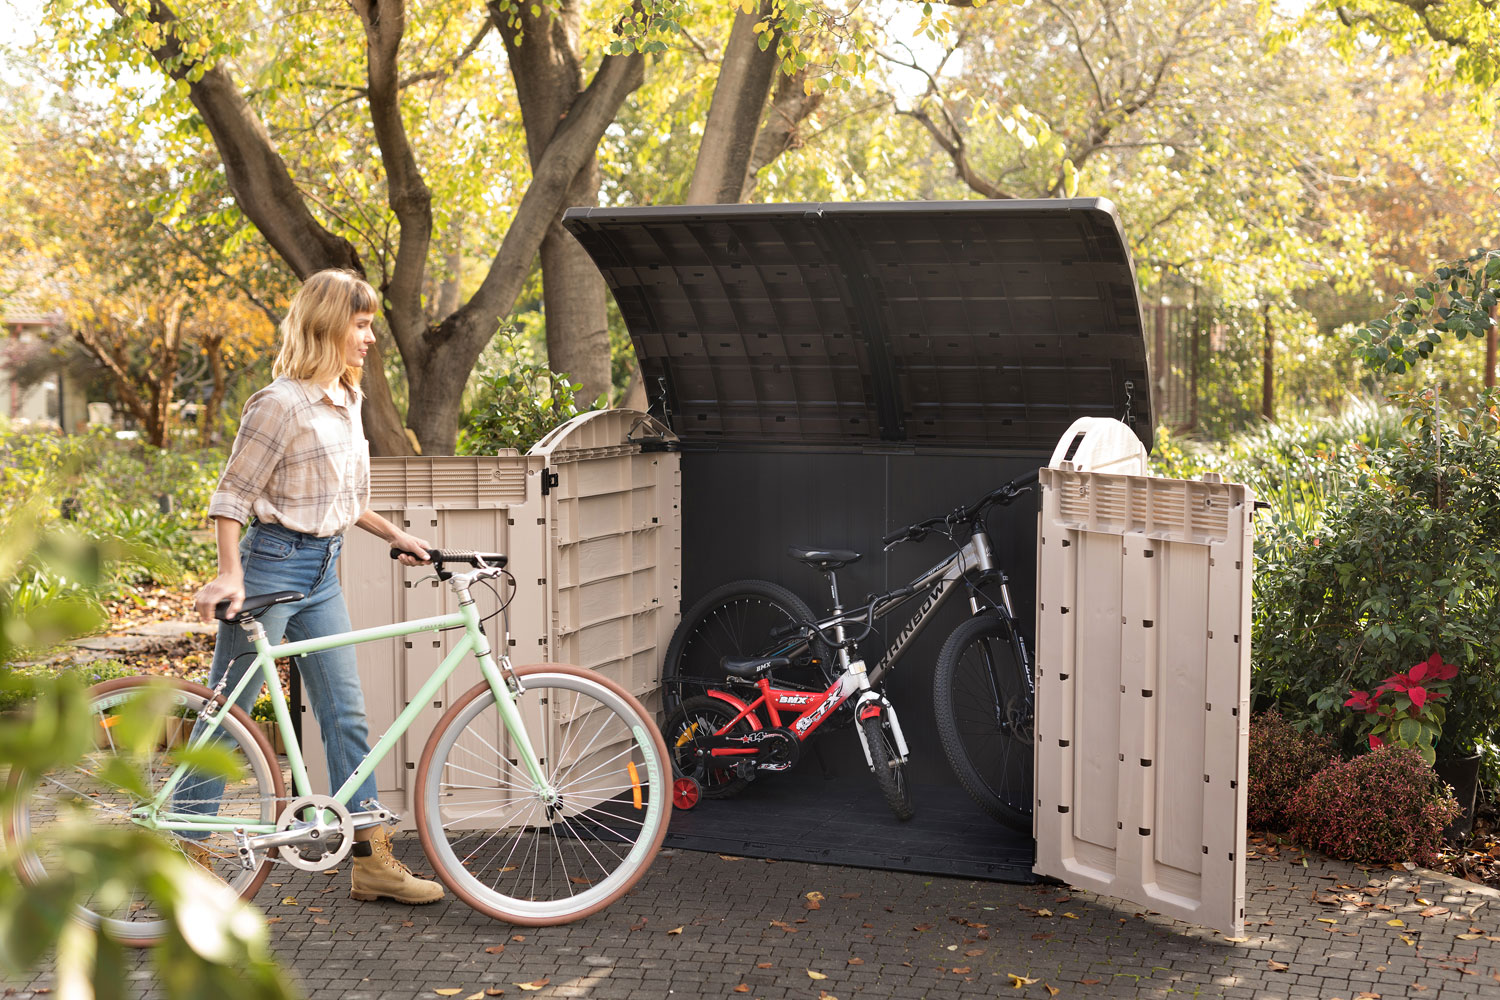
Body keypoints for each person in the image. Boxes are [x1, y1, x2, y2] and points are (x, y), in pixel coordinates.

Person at [186, 268, 443, 905]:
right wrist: (230, 573)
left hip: (322, 570)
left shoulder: (347, 397)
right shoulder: (280, 404)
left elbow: (346, 499)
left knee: (345, 714)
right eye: (361, 325)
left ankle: (369, 858)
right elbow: (230, 497)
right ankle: (183, 850)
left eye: (370, 325)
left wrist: (394, 533)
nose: (370, 338)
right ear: (329, 325)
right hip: (271, 566)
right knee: (228, 715)